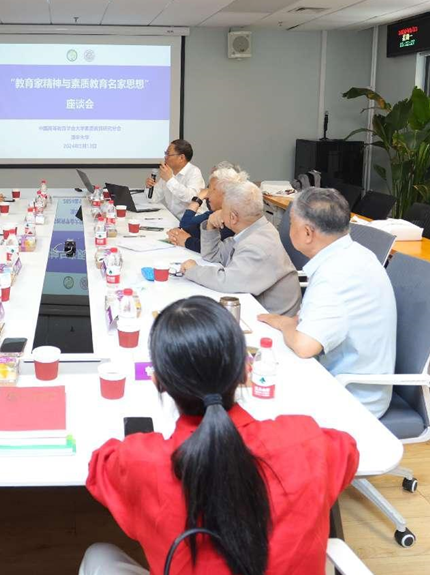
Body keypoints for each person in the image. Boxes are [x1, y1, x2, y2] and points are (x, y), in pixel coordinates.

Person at [80, 296, 359, 575]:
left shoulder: (143, 462)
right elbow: (347, 450)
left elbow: (100, 467)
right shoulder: (306, 442)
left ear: (158, 381)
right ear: (246, 372)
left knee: (97, 557)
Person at [258, 187, 396, 417]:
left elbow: (304, 346)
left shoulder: (335, 274)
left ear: (308, 233)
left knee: (255, 388)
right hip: (344, 378)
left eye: (291, 222)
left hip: (350, 398)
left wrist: (283, 323)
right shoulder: (356, 254)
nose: (288, 227)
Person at [181, 181, 301, 316]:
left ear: (233, 217)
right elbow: (213, 255)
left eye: (223, 209)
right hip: (255, 307)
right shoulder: (253, 229)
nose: (218, 213)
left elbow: (227, 282)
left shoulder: (257, 245)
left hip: (271, 319)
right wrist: (210, 225)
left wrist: (193, 270)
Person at [167, 162, 246, 252]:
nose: (207, 195)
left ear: (224, 193)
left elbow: (213, 249)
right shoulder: (214, 212)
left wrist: (187, 241)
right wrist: (178, 234)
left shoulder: (232, 220)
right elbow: (186, 226)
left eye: (211, 189)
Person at [144, 139, 205, 219]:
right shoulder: (169, 172)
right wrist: (149, 187)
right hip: (172, 219)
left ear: (181, 157)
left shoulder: (194, 172)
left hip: (190, 221)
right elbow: (153, 199)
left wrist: (170, 180)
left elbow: (192, 198)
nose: (165, 157)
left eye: (168, 154)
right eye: (165, 153)